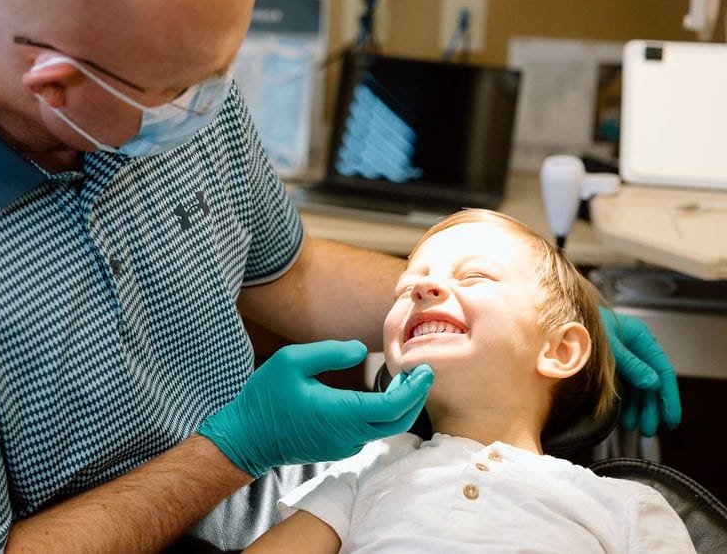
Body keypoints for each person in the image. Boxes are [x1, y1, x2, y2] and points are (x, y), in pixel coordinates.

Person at [0, 0, 679, 552]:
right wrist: (237, 446)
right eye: (183, 92)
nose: (212, 109)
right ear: (58, 86)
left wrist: (555, 306)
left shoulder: (160, 86)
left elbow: (286, 272)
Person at [245, 209, 693, 553]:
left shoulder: (628, 507)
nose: (423, 289)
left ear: (560, 351)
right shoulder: (367, 470)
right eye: (406, 288)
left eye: (475, 275)